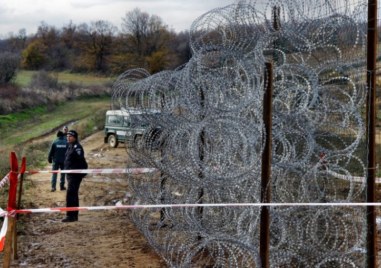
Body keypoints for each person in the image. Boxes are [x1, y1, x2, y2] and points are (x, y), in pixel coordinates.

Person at [62, 130, 88, 222]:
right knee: (73, 194)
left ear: (75, 137)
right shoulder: (70, 146)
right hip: (70, 174)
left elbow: (80, 160)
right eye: (67, 136)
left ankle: (70, 216)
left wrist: (80, 173)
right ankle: (73, 215)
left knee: (71, 195)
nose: (68, 137)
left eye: (70, 136)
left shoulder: (77, 147)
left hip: (75, 175)